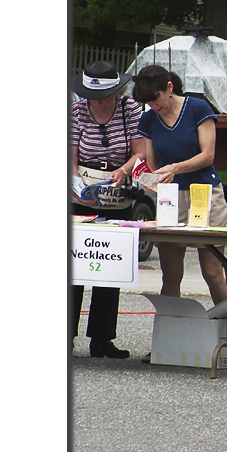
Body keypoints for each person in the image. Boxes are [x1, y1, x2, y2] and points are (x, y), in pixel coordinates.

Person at [132, 65, 227, 360]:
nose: (154, 106)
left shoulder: (198, 108)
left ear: (169, 87)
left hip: (205, 191)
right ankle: (168, 342)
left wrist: (175, 168)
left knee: (213, 271)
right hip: (171, 198)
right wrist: (149, 179)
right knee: (171, 273)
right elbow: (152, 162)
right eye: (149, 103)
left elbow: (208, 154)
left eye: (157, 99)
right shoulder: (149, 120)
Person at [70, 61, 146, 359]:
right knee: (74, 266)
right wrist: (75, 185)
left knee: (109, 265)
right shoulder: (76, 111)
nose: (99, 101)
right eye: (94, 95)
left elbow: (139, 152)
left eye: (105, 95)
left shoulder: (130, 109)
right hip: (82, 191)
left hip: (117, 191)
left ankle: (102, 338)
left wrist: (125, 170)